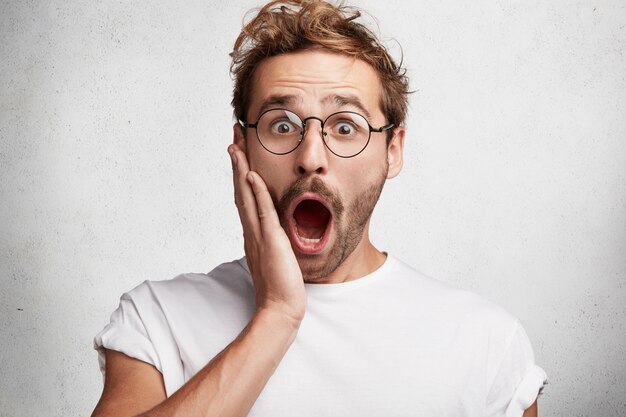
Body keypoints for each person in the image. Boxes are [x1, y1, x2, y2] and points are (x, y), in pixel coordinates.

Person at [91, 1, 547, 416]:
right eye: (282, 124)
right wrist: (276, 317)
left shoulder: (485, 344)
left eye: (345, 126)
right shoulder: (157, 319)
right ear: (242, 147)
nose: (311, 156)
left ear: (393, 151)